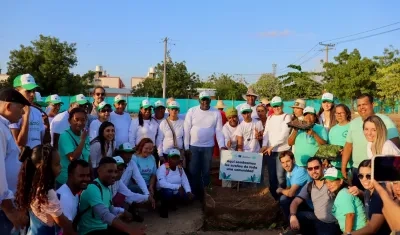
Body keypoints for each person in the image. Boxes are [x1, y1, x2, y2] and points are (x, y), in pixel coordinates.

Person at [15, 144, 76, 235]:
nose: (61, 167)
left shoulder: (32, 185)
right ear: (44, 168)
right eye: (57, 164)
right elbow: (62, 222)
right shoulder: (47, 192)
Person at [341, 94, 400, 185]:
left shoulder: (384, 120)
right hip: (358, 169)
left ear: (372, 104)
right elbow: (348, 145)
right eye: (359, 105)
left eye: (364, 104)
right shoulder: (354, 124)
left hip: (379, 171)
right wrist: (343, 166)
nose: (362, 107)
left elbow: (395, 145)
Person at [77, 157, 145, 235]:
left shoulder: (106, 187)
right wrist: (129, 229)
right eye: (110, 171)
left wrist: (123, 212)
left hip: (103, 227)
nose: (114, 175)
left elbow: (109, 208)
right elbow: (104, 214)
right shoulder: (92, 188)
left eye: (115, 172)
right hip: (90, 231)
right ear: (99, 171)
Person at [184, 91, 225, 199]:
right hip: (193, 146)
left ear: (210, 100)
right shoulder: (192, 111)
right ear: (199, 100)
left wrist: (222, 146)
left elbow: (219, 130)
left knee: (206, 171)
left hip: (208, 147)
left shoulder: (216, 112)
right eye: (203, 99)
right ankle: (193, 195)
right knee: (193, 171)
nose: (205, 102)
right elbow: (186, 129)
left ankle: (205, 195)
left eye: (207, 99)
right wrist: (186, 147)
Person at [0, 88, 30, 234]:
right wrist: (9, 209)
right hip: (3, 209)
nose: (23, 113)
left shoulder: (4, 127)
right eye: (20, 108)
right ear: (8, 106)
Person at [288, 157, 341, 235]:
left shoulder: (330, 182)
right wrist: (293, 216)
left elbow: (345, 189)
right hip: (316, 218)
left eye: (316, 167)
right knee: (293, 215)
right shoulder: (309, 186)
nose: (314, 171)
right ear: (307, 170)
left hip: (331, 223)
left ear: (322, 167)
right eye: (310, 169)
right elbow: (295, 202)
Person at [261, 96, 292, 199]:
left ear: (282, 105)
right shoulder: (270, 117)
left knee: (281, 176)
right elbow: (266, 133)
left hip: (282, 150)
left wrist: (272, 146)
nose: (276, 108)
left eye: (278, 105)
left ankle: (282, 197)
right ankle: (275, 198)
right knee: (272, 175)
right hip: (270, 151)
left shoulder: (286, 117)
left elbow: (284, 135)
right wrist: (264, 145)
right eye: (274, 106)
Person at [349, 160, 391, 235]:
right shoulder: (368, 191)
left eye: (369, 176)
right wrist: (360, 192)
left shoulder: (379, 195)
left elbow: (373, 228)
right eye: (361, 176)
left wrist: (349, 234)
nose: (364, 179)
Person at [323, 167, 367, 234]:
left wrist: (347, 233)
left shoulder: (343, 193)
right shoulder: (342, 192)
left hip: (357, 231)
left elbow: (350, 215)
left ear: (341, 181)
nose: (329, 185)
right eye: (326, 182)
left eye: (332, 181)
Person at [109, 156, 152, 223]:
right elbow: (105, 207)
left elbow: (130, 195)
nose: (120, 172)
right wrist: (122, 211)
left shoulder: (118, 181)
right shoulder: (105, 183)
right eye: (117, 169)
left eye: (122, 169)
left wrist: (147, 197)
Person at [10, 74, 45, 149]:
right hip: (20, 160)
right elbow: (19, 144)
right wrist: (26, 116)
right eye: (28, 91)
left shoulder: (37, 112)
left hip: (36, 159)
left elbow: (41, 140)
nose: (32, 94)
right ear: (17, 91)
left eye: (34, 91)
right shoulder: (11, 112)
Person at [56, 108, 90, 187]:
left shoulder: (84, 135)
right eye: (76, 119)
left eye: (83, 120)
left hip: (80, 180)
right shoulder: (65, 136)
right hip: (66, 181)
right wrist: (82, 140)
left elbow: (88, 156)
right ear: (69, 121)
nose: (80, 123)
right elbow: (72, 157)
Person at [156, 149, 194, 218]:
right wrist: (178, 187)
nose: (175, 160)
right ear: (168, 159)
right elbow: (162, 184)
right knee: (168, 192)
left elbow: (184, 180)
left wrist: (188, 191)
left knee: (188, 196)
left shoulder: (180, 168)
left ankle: (173, 203)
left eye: (177, 158)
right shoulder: (163, 168)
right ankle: (163, 207)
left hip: (176, 190)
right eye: (173, 158)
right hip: (163, 191)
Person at [277, 151, 311, 220]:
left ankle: (291, 222)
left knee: (283, 199)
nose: (285, 165)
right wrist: (284, 191)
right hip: (299, 199)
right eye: (283, 162)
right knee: (283, 198)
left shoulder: (299, 171)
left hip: (308, 203)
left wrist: (280, 190)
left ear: (293, 160)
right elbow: (288, 188)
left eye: (287, 161)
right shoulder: (289, 171)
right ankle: (289, 221)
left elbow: (290, 193)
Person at [328, 104, 352, 170]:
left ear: (347, 114)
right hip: (334, 165)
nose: (339, 115)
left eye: (341, 113)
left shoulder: (352, 126)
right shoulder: (332, 129)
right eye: (337, 113)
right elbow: (330, 146)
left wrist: (346, 151)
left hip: (349, 166)